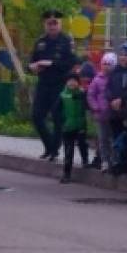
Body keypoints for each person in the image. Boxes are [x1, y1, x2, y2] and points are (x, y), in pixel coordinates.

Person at [28, 10, 79, 161]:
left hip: (59, 84)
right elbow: (32, 61)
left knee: (58, 118)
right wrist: (32, 67)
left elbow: (72, 62)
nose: (52, 26)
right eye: (49, 23)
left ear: (60, 24)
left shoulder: (66, 42)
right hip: (43, 83)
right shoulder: (40, 42)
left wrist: (51, 63)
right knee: (37, 116)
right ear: (45, 25)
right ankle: (50, 147)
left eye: (55, 23)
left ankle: (54, 150)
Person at [105, 41, 127, 174]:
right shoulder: (114, 71)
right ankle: (117, 162)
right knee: (116, 138)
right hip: (114, 112)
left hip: (126, 111)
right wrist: (111, 99)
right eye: (121, 55)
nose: (123, 57)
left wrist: (122, 100)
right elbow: (108, 88)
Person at [54, 73, 89, 183]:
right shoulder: (62, 95)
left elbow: (88, 105)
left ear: (78, 83)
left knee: (82, 144)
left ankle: (85, 160)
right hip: (67, 127)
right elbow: (56, 110)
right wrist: (61, 122)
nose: (72, 83)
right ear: (66, 82)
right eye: (70, 81)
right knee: (68, 151)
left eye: (74, 81)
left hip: (80, 125)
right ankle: (66, 174)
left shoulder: (82, 94)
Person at [87, 52, 115, 171]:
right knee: (102, 139)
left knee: (113, 139)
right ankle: (104, 160)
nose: (106, 66)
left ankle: (113, 159)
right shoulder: (97, 79)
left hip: (113, 115)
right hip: (100, 115)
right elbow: (91, 95)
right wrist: (95, 107)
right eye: (104, 64)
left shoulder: (115, 78)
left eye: (109, 64)